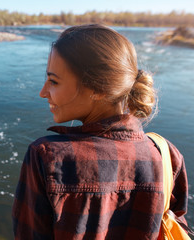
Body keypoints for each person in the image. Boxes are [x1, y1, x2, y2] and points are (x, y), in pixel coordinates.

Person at [12, 24, 189, 240]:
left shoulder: (47, 157)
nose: (43, 92)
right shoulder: (166, 155)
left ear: (97, 88)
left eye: (54, 81)